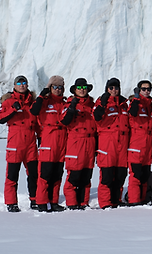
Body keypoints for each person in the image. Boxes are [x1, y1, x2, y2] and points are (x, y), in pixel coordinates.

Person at [0, 75, 38, 212]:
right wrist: (13, 109)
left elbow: (38, 122)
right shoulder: (8, 102)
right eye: (19, 83)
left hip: (30, 143)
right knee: (12, 175)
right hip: (15, 143)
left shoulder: (33, 102)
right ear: (14, 86)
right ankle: (11, 202)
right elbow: (0, 118)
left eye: (24, 83)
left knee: (33, 174)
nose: (22, 85)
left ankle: (34, 200)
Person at [31, 75, 68, 212]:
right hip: (49, 141)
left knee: (57, 175)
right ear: (50, 88)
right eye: (55, 87)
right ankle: (41, 202)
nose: (57, 90)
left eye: (60, 87)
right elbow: (34, 111)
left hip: (61, 142)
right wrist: (42, 94)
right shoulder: (45, 102)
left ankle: (53, 202)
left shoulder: (65, 103)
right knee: (45, 175)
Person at [60, 78, 96, 210]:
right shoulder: (69, 104)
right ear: (75, 90)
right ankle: (72, 203)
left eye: (84, 87)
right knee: (74, 175)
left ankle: (83, 202)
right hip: (76, 144)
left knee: (86, 175)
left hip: (90, 143)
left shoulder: (92, 105)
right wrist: (71, 108)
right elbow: (64, 121)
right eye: (79, 87)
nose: (82, 90)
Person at [93, 77, 130, 209]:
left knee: (120, 174)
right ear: (107, 89)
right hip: (107, 144)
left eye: (116, 88)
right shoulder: (101, 102)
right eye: (111, 88)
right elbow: (96, 117)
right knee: (107, 175)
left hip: (122, 144)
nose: (114, 90)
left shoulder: (124, 104)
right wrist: (103, 104)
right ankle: (105, 202)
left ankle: (116, 200)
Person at [126, 80, 152, 206]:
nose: (146, 91)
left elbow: (151, 129)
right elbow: (132, 113)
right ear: (138, 90)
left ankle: (143, 198)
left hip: (147, 146)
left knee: (145, 174)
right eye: (143, 89)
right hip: (136, 146)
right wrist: (137, 98)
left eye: (148, 89)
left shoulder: (150, 105)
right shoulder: (135, 103)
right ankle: (134, 200)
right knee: (136, 174)